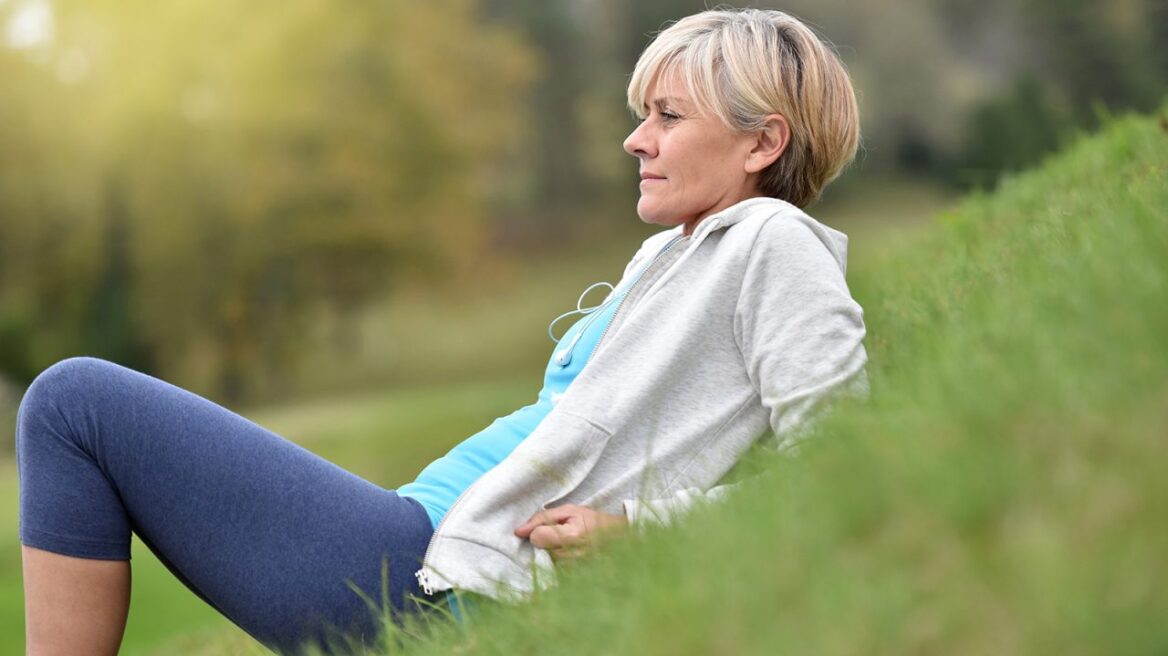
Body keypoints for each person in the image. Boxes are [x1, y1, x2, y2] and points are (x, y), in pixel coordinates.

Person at [15, 8, 866, 655]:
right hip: (422, 547)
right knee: (75, 409)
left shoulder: (772, 244)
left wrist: (638, 533)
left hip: (429, 584)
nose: (634, 139)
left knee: (74, 404)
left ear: (763, 142)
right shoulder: (676, 254)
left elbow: (840, 464)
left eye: (668, 118)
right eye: (643, 114)